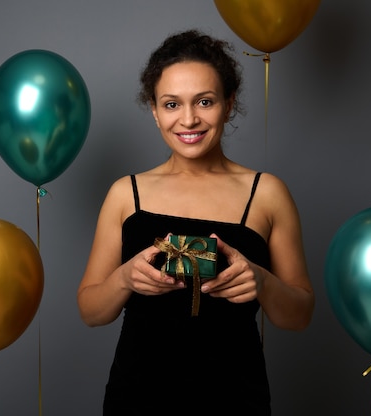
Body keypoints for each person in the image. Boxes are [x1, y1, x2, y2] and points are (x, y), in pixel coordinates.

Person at [77, 29, 314, 415]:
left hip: (236, 398)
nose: (188, 119)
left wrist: (261, 280)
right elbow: (90, 311)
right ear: (154, 110)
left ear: (229, 103)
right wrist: (125, 278)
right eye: (172, 104)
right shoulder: (126, 193)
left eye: (204, 101)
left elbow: (299, 316)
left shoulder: (267, 193)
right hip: (137, 397)